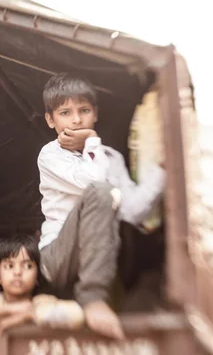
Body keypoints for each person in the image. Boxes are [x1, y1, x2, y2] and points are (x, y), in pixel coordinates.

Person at [37, 74, 165, 339]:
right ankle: (93, 297)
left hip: (99, 259)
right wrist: (91, 141)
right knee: (101, 191)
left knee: (113, 202)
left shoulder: (111, 157)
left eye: (84, 110)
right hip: (59, 257)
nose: (76, 120)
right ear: (51, 120)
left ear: (95, 113)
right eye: (65, 112)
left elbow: (130, 210)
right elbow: (94, 183)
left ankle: (97, 295)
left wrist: (161, 171)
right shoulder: (50, 155)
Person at [0, 235, 84, 334]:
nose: (18, 272)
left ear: (37, 276)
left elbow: (78, 315)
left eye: (28, 266)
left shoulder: (42, 302)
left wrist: (31, 313)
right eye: (9, 266)